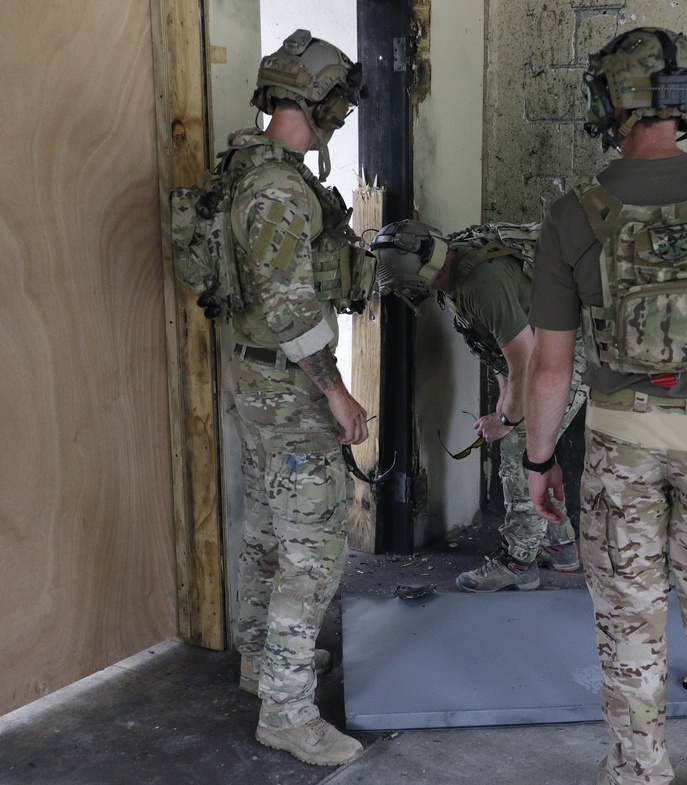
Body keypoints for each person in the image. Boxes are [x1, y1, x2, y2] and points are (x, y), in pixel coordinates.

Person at [524, 28, 687, 785]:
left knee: (629, 629)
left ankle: (640, 773)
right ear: (686, 101)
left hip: (617, 455)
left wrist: (540, 459)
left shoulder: (573, 216)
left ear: (613, 99)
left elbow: (551, 366)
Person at [224, 30, 369, 766]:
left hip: (253, 382)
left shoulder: (247, 168)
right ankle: (286, 711)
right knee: (311, 554)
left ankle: (260, 664)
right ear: (325, 104)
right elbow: (289, 311)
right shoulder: (279, 188)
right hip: (288, 390)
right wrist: (338, 395)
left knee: (265, 537)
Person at [371, 220, 588, 591]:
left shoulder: (480, 284)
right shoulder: (451, 266)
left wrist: (506, 418)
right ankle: (560, 544)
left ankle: (519, 563)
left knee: (522, 449)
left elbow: (526, 361)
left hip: (567, 354)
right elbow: (499, 352)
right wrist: (505, 402)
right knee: (521, 438)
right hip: (540, 351)